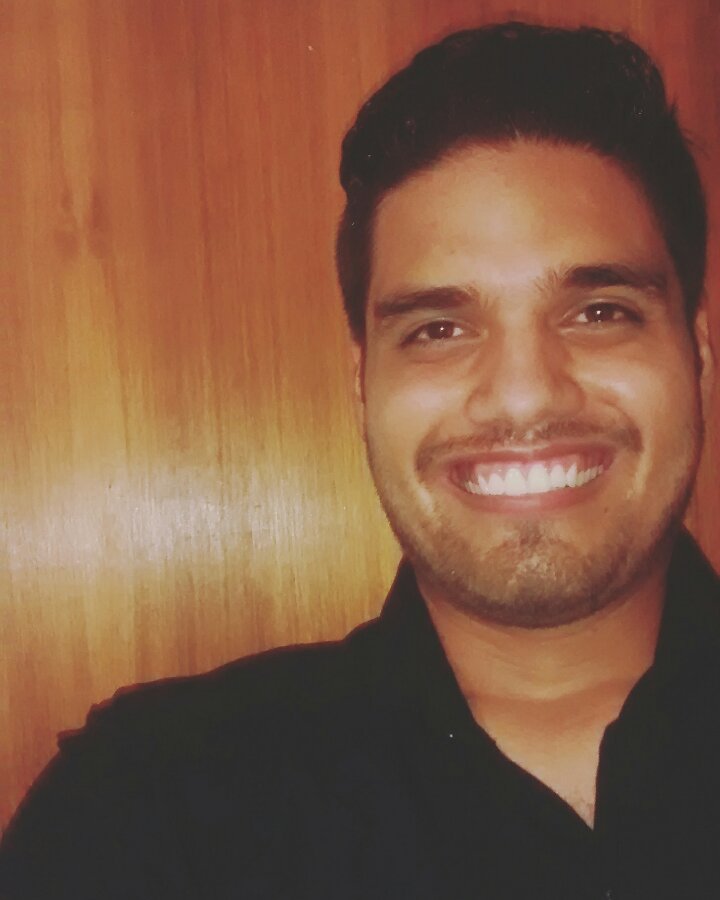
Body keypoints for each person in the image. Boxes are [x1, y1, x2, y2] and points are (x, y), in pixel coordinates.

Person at [0, 20, 717, 900]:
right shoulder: (143, 809)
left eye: (599, 312)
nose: (525, 395)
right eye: (439, 329)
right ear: (362, 384)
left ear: (698, 356)